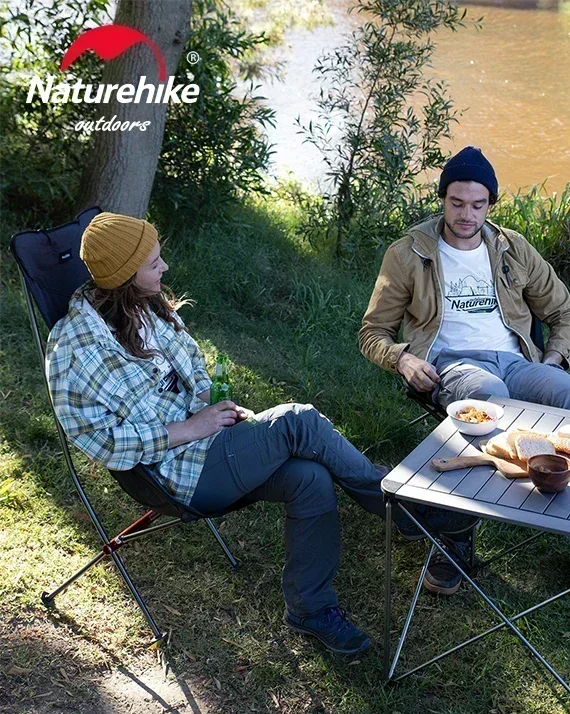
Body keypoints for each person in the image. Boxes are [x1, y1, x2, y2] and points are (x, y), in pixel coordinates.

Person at [45, 212, 470, 656]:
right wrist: (194, 426)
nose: (165, 267)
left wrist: (217, 409)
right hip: (174, 473)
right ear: (126, 277)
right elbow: (108, 445)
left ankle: (309, 607)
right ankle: (397, 507)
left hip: (210, 444)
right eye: (154, 263)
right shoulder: (76, 351)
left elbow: (191, 369)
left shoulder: (146, 308)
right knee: (297, 420)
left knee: (310, 478)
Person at [359, 147, 570, 608]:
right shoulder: (408, 253)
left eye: (478, 204)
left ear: (491, 204)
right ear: (442, 199)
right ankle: (456, 539)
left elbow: (564, 311)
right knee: (487, 398)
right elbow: (372, 331)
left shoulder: (512, 248)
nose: (466, 214)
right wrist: (401, 360)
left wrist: (555, 358)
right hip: (453, 365)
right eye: (457, 202)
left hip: (518, 361)